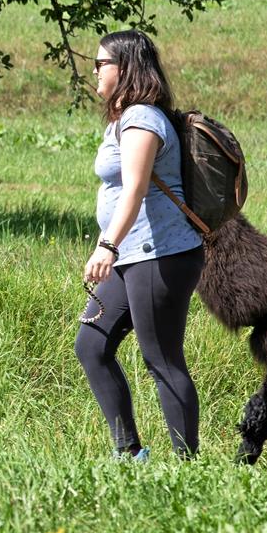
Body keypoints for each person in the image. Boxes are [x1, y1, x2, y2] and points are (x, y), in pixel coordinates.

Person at [74, 30, 205, 460]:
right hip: (131, 254)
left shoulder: (142, 120)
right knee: (92, 345)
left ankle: (189, 467)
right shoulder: (125, 118)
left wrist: (106, 245)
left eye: (101, 64)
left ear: (125, 68)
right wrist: (111, 244)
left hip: (158, 254)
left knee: (162, 360)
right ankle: (128, 452)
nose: (94, 70)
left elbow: (133, 190)